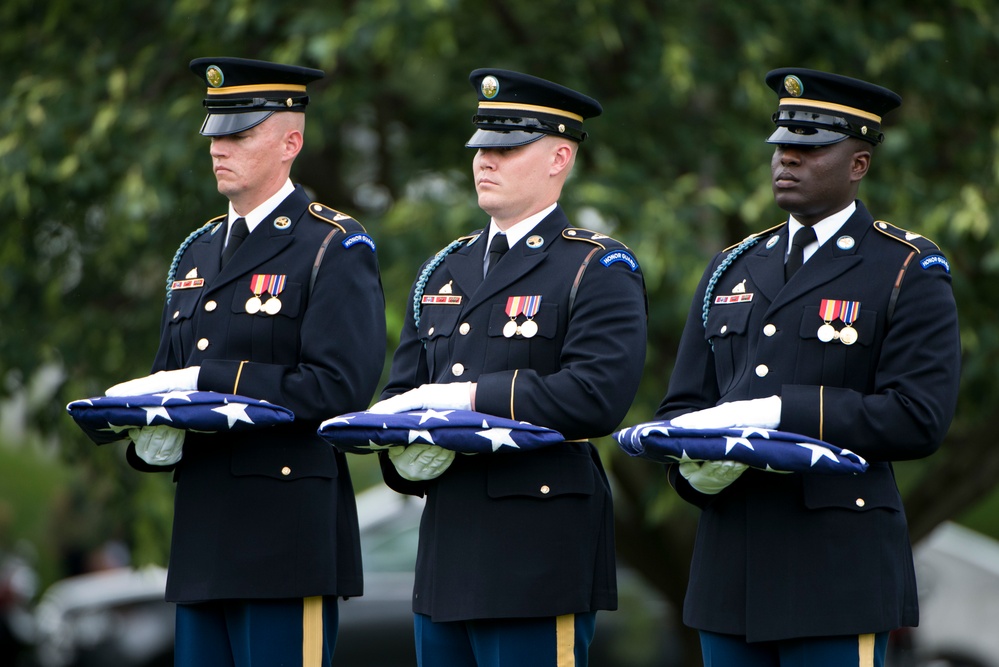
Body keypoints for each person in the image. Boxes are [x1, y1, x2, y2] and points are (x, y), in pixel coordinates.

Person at [655, 68, 961, 666]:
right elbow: (682, 406)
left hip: (836, 574)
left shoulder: (905, 269)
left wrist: (780, 412)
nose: (786, 159)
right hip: (730, 573)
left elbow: (918, 417)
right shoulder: (733, 266)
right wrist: (693, 472)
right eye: (781, 145)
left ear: (858, 164)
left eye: (811, 147)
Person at [104, 57, 386, 666]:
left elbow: (339, 388)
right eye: (214, 133)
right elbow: (165, 376)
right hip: (202, 539)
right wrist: (146, 431)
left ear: (291, 142)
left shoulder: (332, 247)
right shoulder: (197, 250)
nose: (218, 147)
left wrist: (207, 382)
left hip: (286, 543)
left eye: (239, 133)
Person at [368, 69, 648, 667]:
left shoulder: (596, 267)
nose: (484, 162)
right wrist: (403, 456)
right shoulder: (445, 269)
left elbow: (596, 395)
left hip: (538, 555)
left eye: (506, 148)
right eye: (480, 148)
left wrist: (465, 399)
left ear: (559, 158)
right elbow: (403, 393)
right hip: (446, 555)